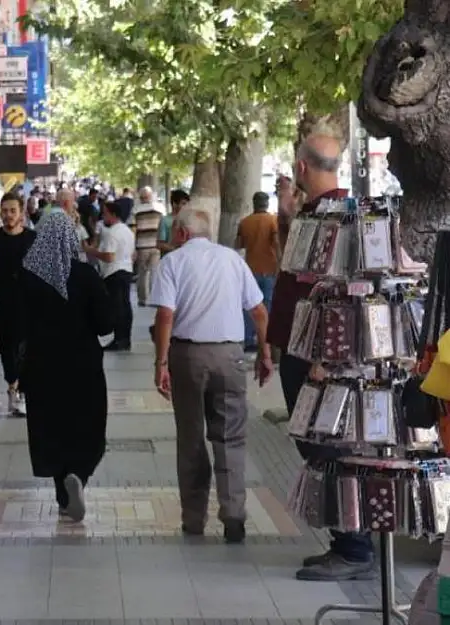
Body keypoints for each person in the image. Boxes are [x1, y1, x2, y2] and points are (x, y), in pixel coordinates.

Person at [268, 133, 375, 580]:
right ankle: (345, 540)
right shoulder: (315, 213)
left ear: (302, 166)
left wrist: (327, 356)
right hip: (302, 350)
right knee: (317, 449)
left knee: (329, 448)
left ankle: (353, 547)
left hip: (319, 358)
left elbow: (346, 288)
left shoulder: (341, 216)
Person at [150, 208, 272, 544]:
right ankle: (234, 513)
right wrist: (264, 352)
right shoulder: (232, 260)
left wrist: (160, 363)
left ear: (183, 234)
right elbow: (259, 311)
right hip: (230, 355)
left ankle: (194, 518)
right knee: (231, 436)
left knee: (191, 437)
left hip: (187, 356)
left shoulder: (172, 263)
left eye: (176, 230)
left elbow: (165, 315)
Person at [18, 211, 115, 520]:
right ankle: (79, 473)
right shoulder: (85, 275)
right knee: (87, 425)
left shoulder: (28, 276)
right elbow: (104, 324)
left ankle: (63, 495)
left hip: (40, 366)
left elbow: (16, 323)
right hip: (82, 366)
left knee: (51, 428)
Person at [0, 193, 36, 415]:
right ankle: (12, 386)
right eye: (4, 211)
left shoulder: (33, 238)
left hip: (28, 301)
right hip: (1, 301)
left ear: (21, 213)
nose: (8, 215)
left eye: (13, 211)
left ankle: (23, 389)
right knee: (7, 347)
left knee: (27, 347)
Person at [84, 200, 135, 351]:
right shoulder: (127, 230)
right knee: (125, 306)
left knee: (117, 307)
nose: (103, 216)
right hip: (126, 269)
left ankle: (119, 339)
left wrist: (91, 251)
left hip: (114, 272)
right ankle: (125, 338)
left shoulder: (113, 233)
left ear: (113, 214)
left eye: (105, 213)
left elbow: (109, 256)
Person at [235, 191, 280, 351]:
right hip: (269, 269)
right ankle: (265, 340)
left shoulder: (245, 222)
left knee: (249, 305)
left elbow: (238, 244)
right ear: (266, 203)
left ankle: (248, 340)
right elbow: (275, 243)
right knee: (266, 305)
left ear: (254, 203)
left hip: (251, 269)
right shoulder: (273, 220)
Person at [132, 187, 164, 306]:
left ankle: (142, 299)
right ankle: (154, 299)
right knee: (154, 272)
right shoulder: (160, 208)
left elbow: (133, 230)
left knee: (142, 273)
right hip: (156, 245)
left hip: (142, 245)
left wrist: (133, 247)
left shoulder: (136, 209)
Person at [157, 189, 190, 256]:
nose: (186, 206)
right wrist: (176, 250)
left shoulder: (189, 219)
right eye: (183, 203)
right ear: (174, 204)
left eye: (187, 204)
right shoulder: (165, 220)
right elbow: (160, 244)